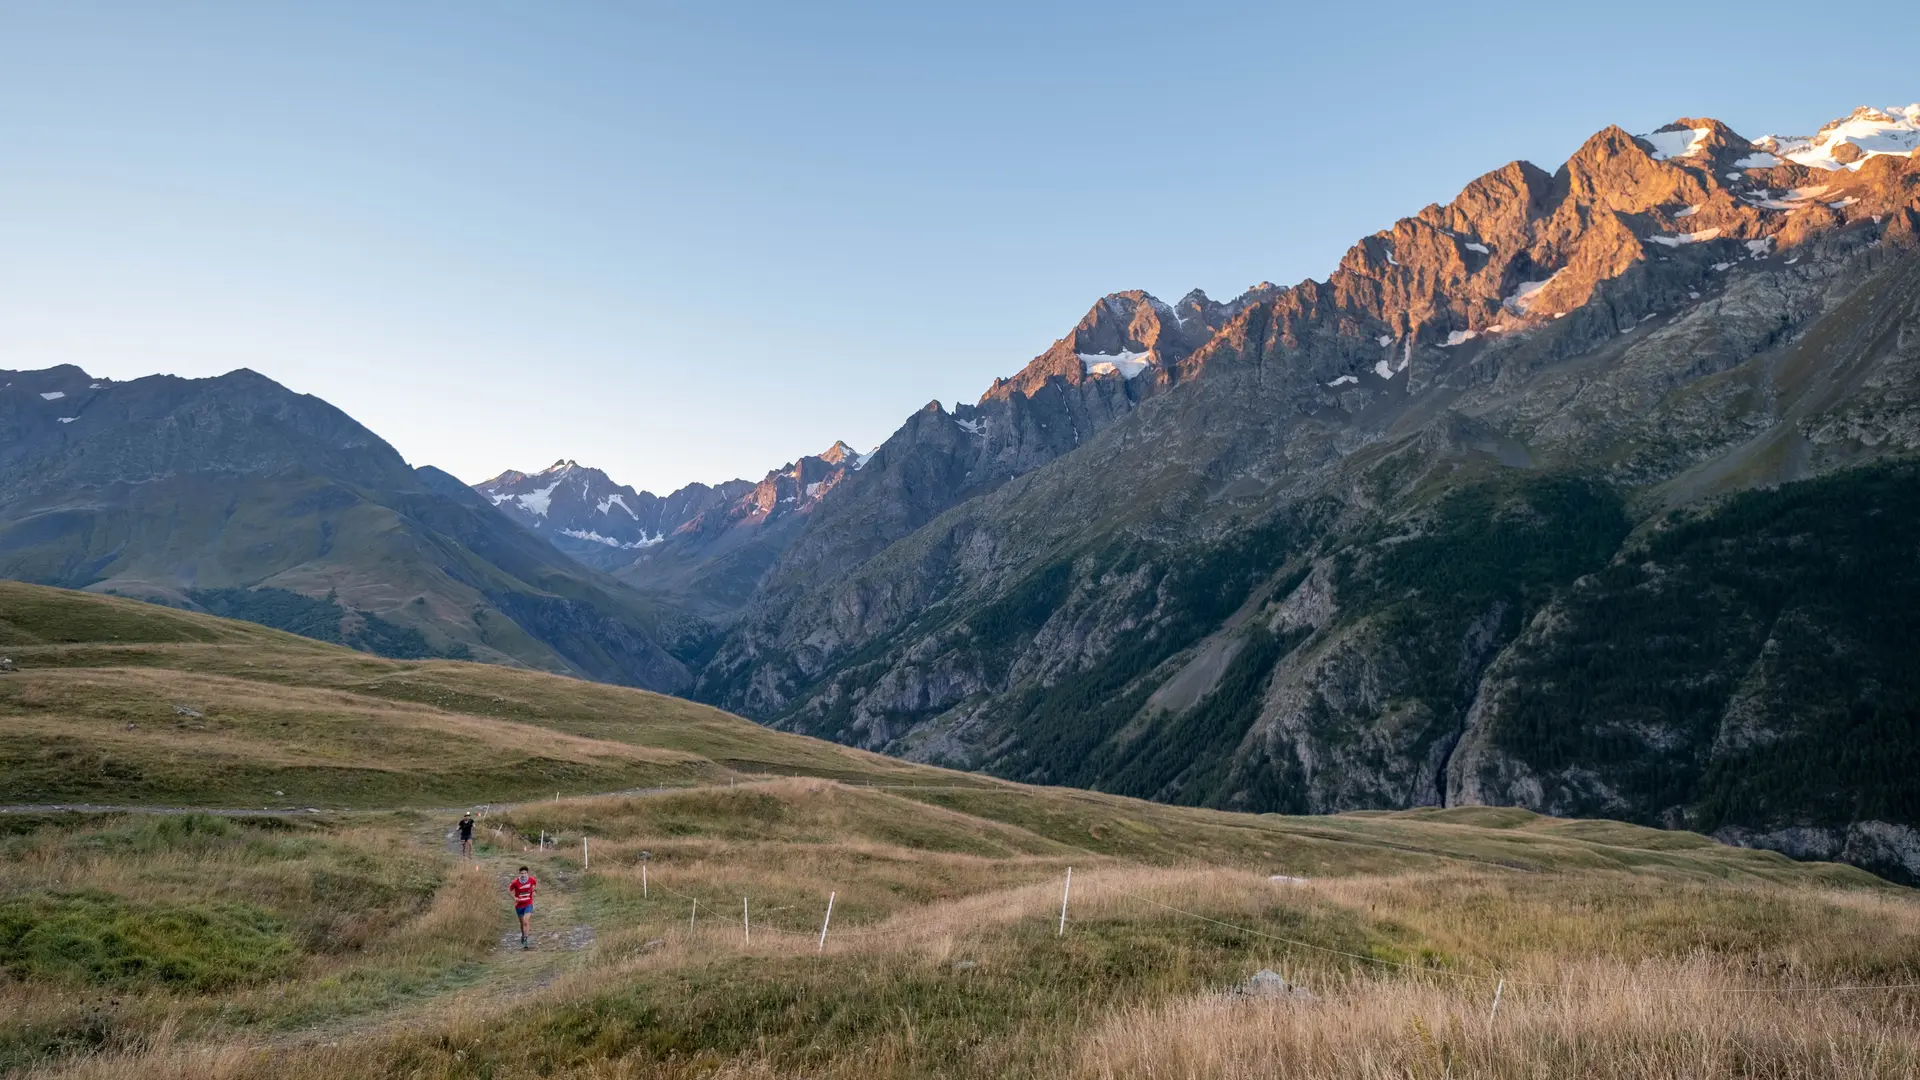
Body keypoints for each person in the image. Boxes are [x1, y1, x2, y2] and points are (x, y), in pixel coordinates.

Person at [510, 866, 537, 948]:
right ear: (519, 874)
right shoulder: (515, 882)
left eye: (525, 873)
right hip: (519, 905)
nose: (523, 875)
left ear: (527, 873)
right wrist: (514, 897)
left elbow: (534, 885)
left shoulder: (532, 880)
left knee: (526, 921)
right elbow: (509, 890)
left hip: (528, 903)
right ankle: (523, 934)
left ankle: (525, 939)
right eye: (522, 873)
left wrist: (534, 891)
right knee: (522, 924)